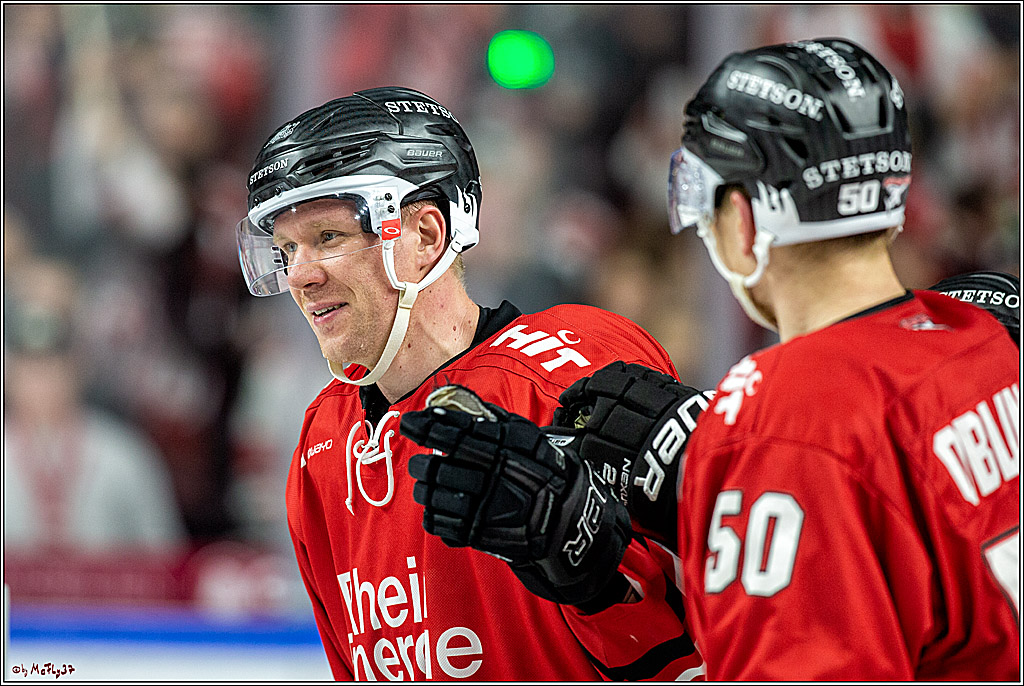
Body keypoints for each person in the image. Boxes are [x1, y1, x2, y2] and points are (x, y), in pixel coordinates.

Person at [400, 39, 1019, 680]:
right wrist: (698, 485)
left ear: (747, 217)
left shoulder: (781, 416)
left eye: (701, 196)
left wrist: (718, 473)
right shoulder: (984, 340)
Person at [235, 86, 703, 680]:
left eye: (328, 238)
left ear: (426, 236)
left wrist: (595, 579)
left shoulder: (577, 370)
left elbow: (718, 641)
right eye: (285, 249)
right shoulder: (322, 443)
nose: (300, 274)